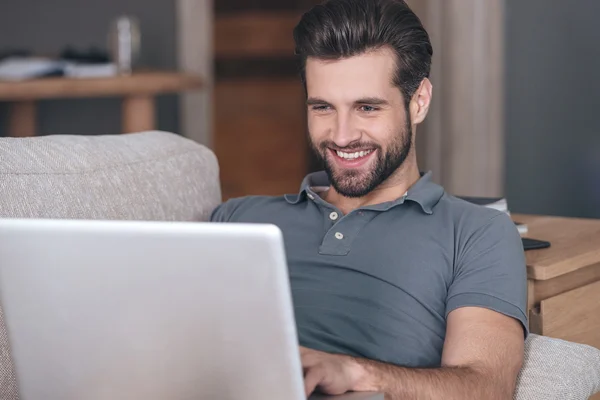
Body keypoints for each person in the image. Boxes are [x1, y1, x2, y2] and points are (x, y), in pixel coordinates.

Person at [210, 0, 528, 398]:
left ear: (419, 101)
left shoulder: (476, 234)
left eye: (367, 107)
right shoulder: (237, 217)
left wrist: (354, 373)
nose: (342, 136)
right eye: (323, 107)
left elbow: (486, 387)